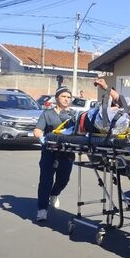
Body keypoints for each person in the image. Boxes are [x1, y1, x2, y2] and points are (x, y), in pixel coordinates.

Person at [33, 86, 75, 222]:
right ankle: (42, 209)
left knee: (64, 179)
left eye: (68, 97)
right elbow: (38, 130)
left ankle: (54, 194)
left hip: (66, 153)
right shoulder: (47, 114)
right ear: (57, 98)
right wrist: (42, 138)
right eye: (63, 96)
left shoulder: (73, 115)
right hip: (49, 152)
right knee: (45, 181)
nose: (66, 99)